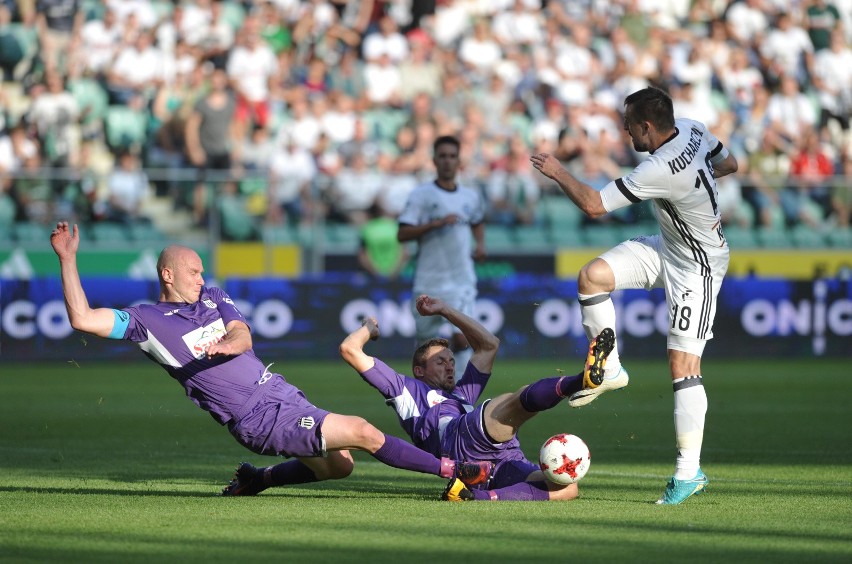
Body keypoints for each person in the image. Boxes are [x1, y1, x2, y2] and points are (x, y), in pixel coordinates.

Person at [48, 222, 491, 497]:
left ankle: (258, 479)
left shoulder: (213, 296)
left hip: (281, 393)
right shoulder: (147, 321)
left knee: (341, 465)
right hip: (255, 417)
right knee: (361, 430)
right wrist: (68, 259)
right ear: (167, 275)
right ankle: (456, 472)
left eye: (203, 271)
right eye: (194, 272)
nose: (203, 278)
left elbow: (242, 333)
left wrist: (230, 345)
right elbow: (83, 319)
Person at [530, 86, 739, 506]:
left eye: (629, 127)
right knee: (592, 277)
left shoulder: (659, 167)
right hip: (670, 247)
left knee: (683, 365)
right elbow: (730, 163)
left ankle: (689, 471)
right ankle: (610, 369)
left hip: (697, 265)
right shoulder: (694, 129)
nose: (626, 135)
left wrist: (557, 171)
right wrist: (694, 191)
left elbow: (593, 205)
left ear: (647, 126)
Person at [340, 294, 615, 502]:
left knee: (567, 487)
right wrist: (369, 326)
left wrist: (445, 310)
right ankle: (581, 380)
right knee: (511, 402)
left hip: (497, 463)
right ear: (418, 371)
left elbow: (489, 345)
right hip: (456, 442)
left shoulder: (462, 393)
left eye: (450, 360)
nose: (449, 366)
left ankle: (477, 496)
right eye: (439, 362)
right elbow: (350, 349)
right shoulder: (405, 389)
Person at [397, 135, 486, 381]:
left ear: (460, 162)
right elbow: (403, 233)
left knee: (463, 338)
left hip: (462, 280)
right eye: (443, 156)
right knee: (427, 349)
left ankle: (459, 402)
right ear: (434, 160)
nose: (448, 161)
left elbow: (478, 221)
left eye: (452, 156)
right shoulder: (421, 195)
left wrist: (480, 245)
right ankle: (427, 401)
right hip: (429, 281)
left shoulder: (470, 196)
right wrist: (435, 224)